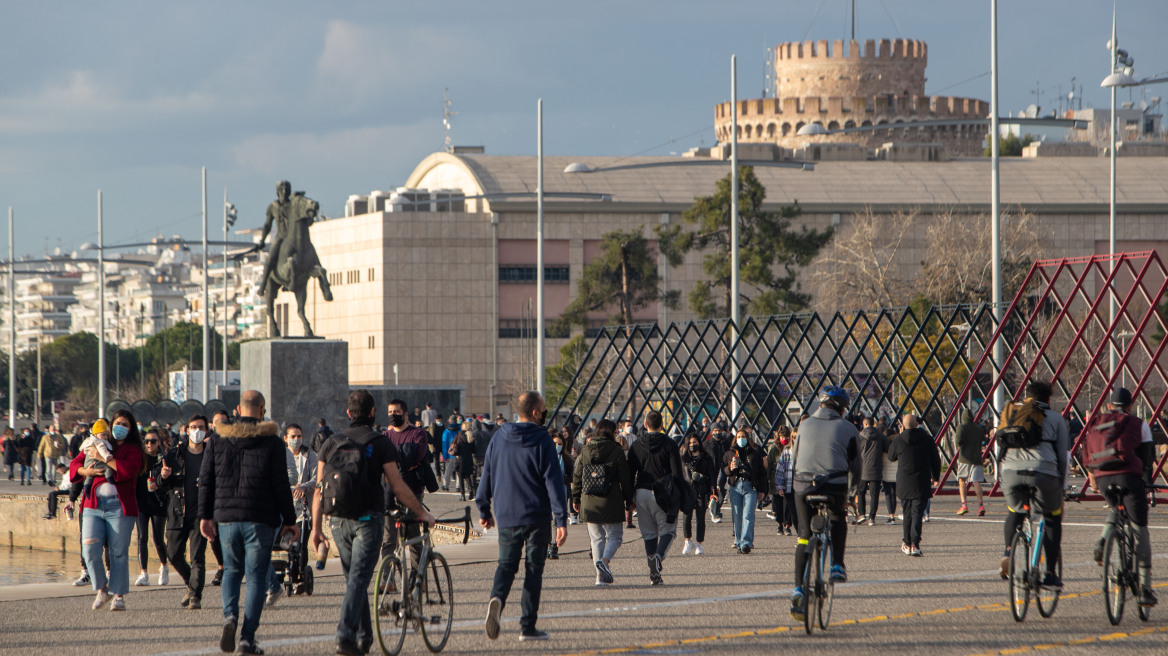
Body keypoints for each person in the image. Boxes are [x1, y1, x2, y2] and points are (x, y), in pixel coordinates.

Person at [310, 390, 435, 656]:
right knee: (358, 579)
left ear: (348, 413)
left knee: (355, 580)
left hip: (337, 521)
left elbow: (319, 490)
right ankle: (345, 636)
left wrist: (316, 529)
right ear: (372, 412)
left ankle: (365, 638)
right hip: (368, 519)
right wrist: (421, 512)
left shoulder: (330, 443)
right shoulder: (380, 443)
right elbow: (397, 485)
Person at [199, 390, 298, 656]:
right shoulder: (273, 442)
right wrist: (291, 520)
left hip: (226, 517)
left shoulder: (217, 438)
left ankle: (230, 616)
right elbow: (281, 486)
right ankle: (247, 639)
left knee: (231, 570)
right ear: (262, 409)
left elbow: (206, 479)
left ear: (238, 410)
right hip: (261, 518)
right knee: (256, 577)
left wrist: (204, 516)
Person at [478, 390, 568, 642]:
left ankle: (497, 598)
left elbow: (487, 473)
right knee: (533, 570)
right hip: (537, 515)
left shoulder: (499, 437)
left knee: (506, 564)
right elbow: (554, 482)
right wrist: (561, 520)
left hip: (507, 514)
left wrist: (484, 509)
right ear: (536, 412)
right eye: (544, 408)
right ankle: (527, 626)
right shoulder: (542, 440)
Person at [789, 386, 859, 622]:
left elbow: (795, 457)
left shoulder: (804, 425)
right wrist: (853, 493)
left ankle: (798, 588)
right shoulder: (848, 428)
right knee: (838, 516)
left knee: (803, 535)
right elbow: (856, 466)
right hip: (834, 484)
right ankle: (837, 564)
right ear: (842, 409)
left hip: (802, 484)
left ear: (820, 404)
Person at [993, 380, 1070, 590]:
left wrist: (998, 476)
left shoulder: (1011, 414)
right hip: (1042, 471)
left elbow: (998, 447)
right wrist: (1061, 490)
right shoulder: (1055, 418)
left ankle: (1008, 552)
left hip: (1010, 471)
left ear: (1027, 396)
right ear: (1048, 399)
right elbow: (1063, 458)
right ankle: (1050, 575)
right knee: (1052, 517)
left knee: (1015, 511)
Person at [1087, 387, 1157, 607]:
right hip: (1129, 477)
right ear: (1130, 405)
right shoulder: (1138, 424)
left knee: (1114, 508)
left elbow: (1088, 450)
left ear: (1110, 406)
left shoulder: (1099, 422)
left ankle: (1103, 539)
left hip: (1103, 477)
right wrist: (1146, 482)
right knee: (1139, 528)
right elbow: (1147, 458)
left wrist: (1093, 476)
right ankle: (1145, 588)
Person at [69, 410, 146, 611]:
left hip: (120, 507)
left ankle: (118, 595)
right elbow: (76, 463)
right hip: (92, 505)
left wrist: (103, 458)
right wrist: (87, 470)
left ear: (131, 429)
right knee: (89, 548)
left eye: (125, 424)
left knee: (118, 552)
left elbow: (127, 470)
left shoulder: (133, 450)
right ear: (110, 425)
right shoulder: (98, 441)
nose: (120, 427)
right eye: (117, 423)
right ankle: (102, 588)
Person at [158, 415, 214, 609]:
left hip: (201, 513)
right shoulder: (174, 454)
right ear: (186, 430)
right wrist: (163, 477)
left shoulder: (212, 455)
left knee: (198, 556)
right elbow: (159, 485)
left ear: (206, 431)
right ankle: (191, 585)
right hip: (177, 511)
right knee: (173, 554)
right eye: (193, 427)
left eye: (200, 427)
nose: (197, 430)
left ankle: (195, 596)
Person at [571, 418, 634, 585]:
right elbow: (625, 478)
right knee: (615, 536)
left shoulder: (585, 449)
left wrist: (575, 498)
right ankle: (604, 562)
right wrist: (629, 499)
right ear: (609, 433)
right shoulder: (616, 450)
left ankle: (599, 577)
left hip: (589, 499)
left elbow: (577, 476)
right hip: (611, 498)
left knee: (596, 538)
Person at [627, 410, 683, 585]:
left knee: (649, 534)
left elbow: (630, 474)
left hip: (641, 491)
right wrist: (679, 494)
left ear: (645, 424)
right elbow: (677, 473)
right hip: (663, 492)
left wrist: (629, 499)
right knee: (668, 531)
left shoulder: (636, 445)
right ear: (661, 425)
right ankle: (658, 558)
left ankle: (654, 574)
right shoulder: (669, 444)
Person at [887, 414, 940, 557]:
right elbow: (935, 459)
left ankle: (907, 542)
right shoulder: (927, 439)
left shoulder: (899, 440)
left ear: (903, 425)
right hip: (922, 480)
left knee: (907, 513)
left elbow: (891, 457)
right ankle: (915, 544)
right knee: (917, 513)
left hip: (904, 481)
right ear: (917, 424)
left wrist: (899, 437)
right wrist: (936, 476)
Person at [284, 422, 317, 593]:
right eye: (293, 436)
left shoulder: (310, 455)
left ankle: (300, 576)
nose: (297, 440)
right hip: (285, 506)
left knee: (301, 542)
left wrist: (303, 487)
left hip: (304, 507)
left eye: (299, 436)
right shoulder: (281, 456)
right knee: (287, 543)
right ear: (286, 438)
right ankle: (288, 570)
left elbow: (316, 478)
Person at [134, 428, 168, 586]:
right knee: (142, 537)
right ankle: (144, 573)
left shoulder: (164, 459)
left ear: (159, 443)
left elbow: (170, 481)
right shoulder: (140, 458)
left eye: (153, 441)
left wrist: (161, 483)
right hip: (141, 503)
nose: (149, 444)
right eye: (146, 441)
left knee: (158, 539)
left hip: (158, 503)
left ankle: (164, 566)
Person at [724, 428, 767, 554]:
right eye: (738, 437)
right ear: (735, 439)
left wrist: (763, 490)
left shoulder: (755, 452)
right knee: (737, 515)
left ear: (748, 438)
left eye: (743, 436)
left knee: (748, 515)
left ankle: (746, 543)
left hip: (750, 486)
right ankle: (738, 541)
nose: (740, 439)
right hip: (735, 486)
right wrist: (729, 468)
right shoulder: (730, 453)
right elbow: (723, 469)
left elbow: (761, 472)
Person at [681, 432, 716, 554]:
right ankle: (688, 541)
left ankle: (699, 544)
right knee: (686, 518)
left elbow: (712, 475)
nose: (692, 444)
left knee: (700, 519)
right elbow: (681, 476)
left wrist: (713, 491)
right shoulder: (684, 459)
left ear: (699, 443)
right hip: (688, 492)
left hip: (702, 491)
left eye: (694, 442)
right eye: (690, 443)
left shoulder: (706, 458)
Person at [954, 409, 988, 516]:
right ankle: (981, 505)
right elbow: (983, 440)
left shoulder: (962, 427)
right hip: (977, 458)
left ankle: (964, 505)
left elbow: (958, 441)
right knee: (976, 482)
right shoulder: (978, 428)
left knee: (962, 481)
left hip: (965, 458)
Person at [856, 416, 888, 526]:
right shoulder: (880, 436)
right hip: (876, 468)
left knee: (861, 492)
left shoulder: (859, 437)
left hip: (862, 469)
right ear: (873, 424)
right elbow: (887, 449)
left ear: (864, 424)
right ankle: (872, 517)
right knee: (874, 495)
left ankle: (861, 514)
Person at [548, 431, 574, 559]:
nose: (557, 446)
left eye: (559, 444)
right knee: (546, 521)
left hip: (561, 493)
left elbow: (571, 477)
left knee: (556, 520)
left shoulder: (567, 458)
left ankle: (554, 547)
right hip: (546, 493)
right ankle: (547, 545)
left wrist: (561, 478)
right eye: (554, 443)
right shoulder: (544, 457)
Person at [771, 426, 796, 536]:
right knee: (779, 505)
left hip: (792, 483)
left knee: (789, 506)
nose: (784, 439)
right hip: (779, 480)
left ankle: (787, 525)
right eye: (782, 436)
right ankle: (780, 523)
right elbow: (773, 467)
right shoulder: (775, 449)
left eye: (786, 436)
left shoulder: (793, 449)